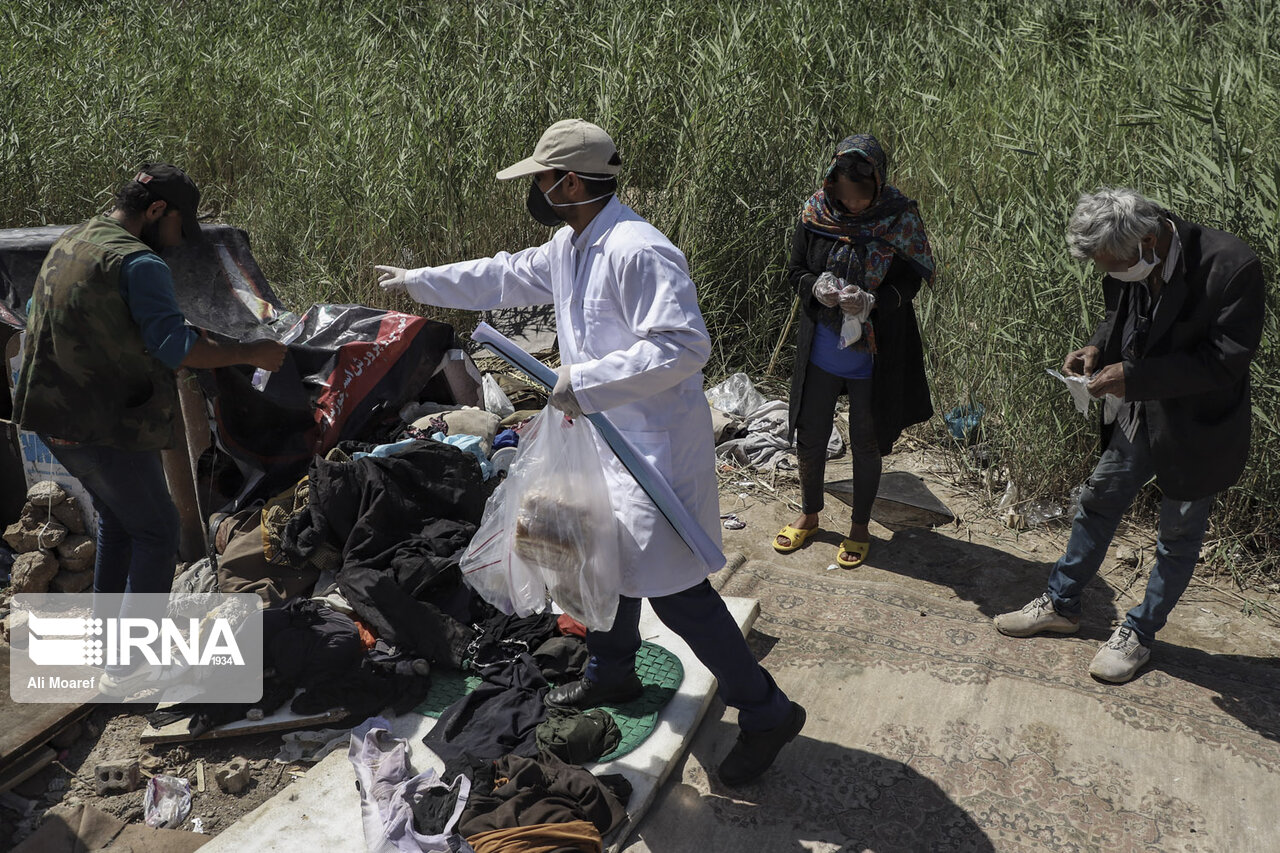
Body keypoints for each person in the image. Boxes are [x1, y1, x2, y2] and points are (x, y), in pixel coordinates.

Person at [376, 119, 805, 786]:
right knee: (597, 554)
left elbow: (684, 345)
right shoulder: (571, 242)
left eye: (542, 179)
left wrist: (588, 379)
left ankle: (766, 707)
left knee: (674, 590)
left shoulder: (640, 249)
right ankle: (613, 672)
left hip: (650, 446)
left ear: (570, 181)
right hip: (600, 438)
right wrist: (421, 280)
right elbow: (505, 275)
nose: (538, 190)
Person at [13, 163, 287, 695]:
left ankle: (112, 651)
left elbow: (40, 311)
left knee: (120, 519)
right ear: (157, 210)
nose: (178, 242)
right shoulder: (139, 262)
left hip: (51, 416)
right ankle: (138, 662)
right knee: (157, 528)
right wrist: (254, 350)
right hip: (100, 423)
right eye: (178, 227)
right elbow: (177, 348)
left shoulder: (76, 239)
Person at [994, 187, 1265, 683]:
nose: (1110, 274)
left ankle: (1140, 633)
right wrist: (1096, 348)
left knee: (1177, 536)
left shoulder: (1231, 266)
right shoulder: (1125, 260)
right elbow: (1117, 317)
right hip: (1140, 415)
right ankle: (1062, 603)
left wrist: (1134, 378)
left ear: (1147, 239)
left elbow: (1224, 363)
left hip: (1197, 426)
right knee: (1098, 500)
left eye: (1114, 264)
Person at [775, 134, 934, 568]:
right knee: (810, 437)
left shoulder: (899, 218)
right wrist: (817, 287)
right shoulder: (815, 212)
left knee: (866, 442)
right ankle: (809, 515)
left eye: (862, 199)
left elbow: (911, 282)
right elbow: (795, 270)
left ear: (878, 185)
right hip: (822, 350)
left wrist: (874, 303)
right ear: (831, 187)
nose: (854, 208)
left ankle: (860, 526)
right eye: (845, 198)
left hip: (871, 358)